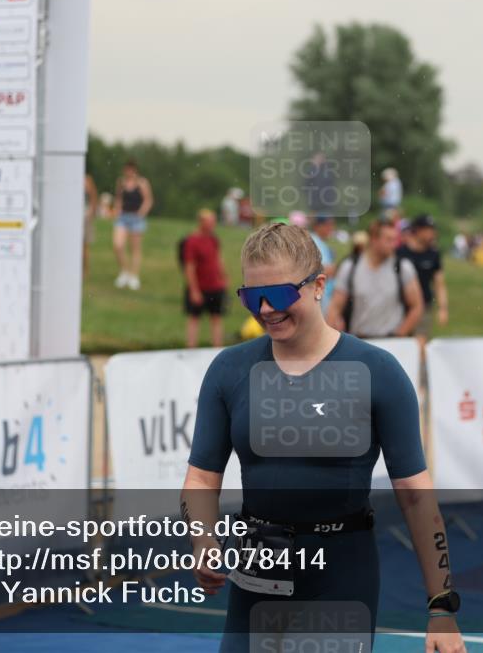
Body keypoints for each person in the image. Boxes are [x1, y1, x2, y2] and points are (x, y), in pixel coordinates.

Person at [181, 222, 466, 653]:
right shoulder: (229, 370)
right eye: (250, 297)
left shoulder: (378, 373)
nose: (265, 310)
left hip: (340, 576)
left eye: (277, 296)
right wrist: (203, 540)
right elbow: (201, 479)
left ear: (318, 285)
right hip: (256, 574)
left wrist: (441, 607)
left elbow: (414, 494)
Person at [326, 219, 424, 338]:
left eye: (395, 240)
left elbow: (417, 306)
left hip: (392, 340)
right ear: (373, 239)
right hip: (360, 340)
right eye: (388, 240)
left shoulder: (403, 268)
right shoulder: (351, 267)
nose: (394, 245)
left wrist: (399, 334)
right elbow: (335, 306)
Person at [397, 215, 449, 347]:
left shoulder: (433, 254)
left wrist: (443, 308)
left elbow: (439, 283)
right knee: (399, 341)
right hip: (401, 306)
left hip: (424, 306)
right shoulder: (401, 252)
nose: (432, 233)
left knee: (420, 343)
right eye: (428, 230)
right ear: (418, 230)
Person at [182, 209, 227, 348]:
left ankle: (217, 348)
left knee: (216, 317)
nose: (213, 224)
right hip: (200, 286)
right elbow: (189, 266)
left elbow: (218, 258)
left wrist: (224, 276)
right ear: (201, 222)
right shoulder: (192, 241)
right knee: (194, 318)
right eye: (210, 221)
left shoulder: (213, 239)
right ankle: (191, 348)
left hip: (215, 286)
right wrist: (194, 290)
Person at [113, 160, 154, 290]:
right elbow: (119, 198)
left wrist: (141, 213)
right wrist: (117, 210)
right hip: (123, 217)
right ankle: (124, 271)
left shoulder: (142, 183)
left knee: (135, 248)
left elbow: (148, 199)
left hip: (136, 217)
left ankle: (134, 275)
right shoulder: (121, 182)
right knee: (118, 245)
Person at [309, 216, 337, 315]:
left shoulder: (322, 243)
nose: (331, 228)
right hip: (319, 298)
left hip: (324, 296)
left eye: (332, 225)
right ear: (317, 226)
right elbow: (320, 270)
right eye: (328, 225)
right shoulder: (314, 241)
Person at [83, 174, 98, 277]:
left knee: (84, 246)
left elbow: (93, 196)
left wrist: (92, 212)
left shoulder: (87, 179)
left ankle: (85, 270)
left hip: (85, 216)